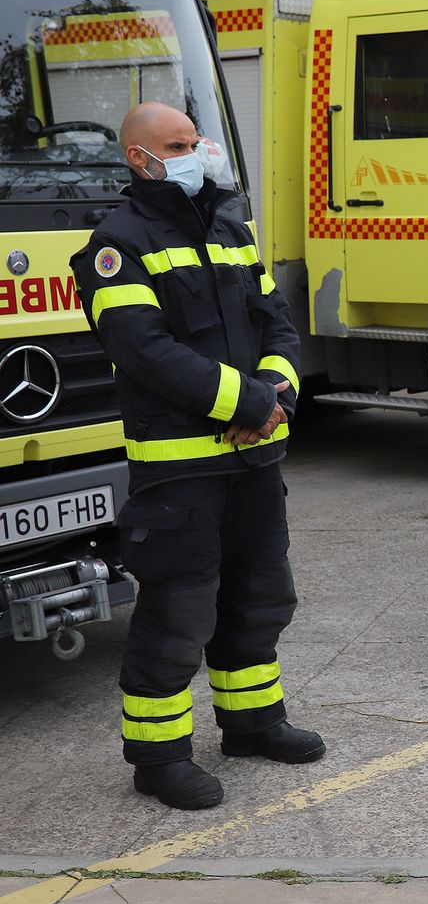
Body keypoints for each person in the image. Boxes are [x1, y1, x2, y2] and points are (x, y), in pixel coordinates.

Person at [70, 103, 321, 811]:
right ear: (138, 159)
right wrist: (246, 403)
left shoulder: (231, 228)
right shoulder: (115, 244)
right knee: (179, 612)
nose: (196, 152)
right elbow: (143, 350)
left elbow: (278, 324)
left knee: (260, 596)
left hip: (254, 460)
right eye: (177, 145)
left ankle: (252, 725)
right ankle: (159, 758)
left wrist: (279, 396)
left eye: (196, 141)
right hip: (180, 470)